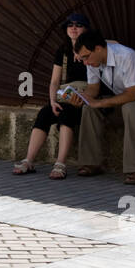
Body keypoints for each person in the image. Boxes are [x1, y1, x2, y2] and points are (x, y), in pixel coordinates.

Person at [59, 29, 135, 185]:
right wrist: (82, 97)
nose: (85, 62)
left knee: (130, 108)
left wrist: (99, 102)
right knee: (89, 108)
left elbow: (132, 95)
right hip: (127, 103)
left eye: (86, 57)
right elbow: (93, 89)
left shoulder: (126, 56)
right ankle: (91, 163)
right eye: (83, 58)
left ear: (98, 49)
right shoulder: (93, 60)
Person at [14, 12, 92, 179]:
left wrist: (82, 50)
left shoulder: (93, 48)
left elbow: (112, 45)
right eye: (70, 25)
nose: (74, 28)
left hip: (85, 100)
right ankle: (29, 160)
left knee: (67, 115)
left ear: (86, 29)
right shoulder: (63, 51)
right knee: (44, 113)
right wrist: (52, 101)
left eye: (78, 25)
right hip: (64, 98)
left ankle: (60, 163)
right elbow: (54, 81)